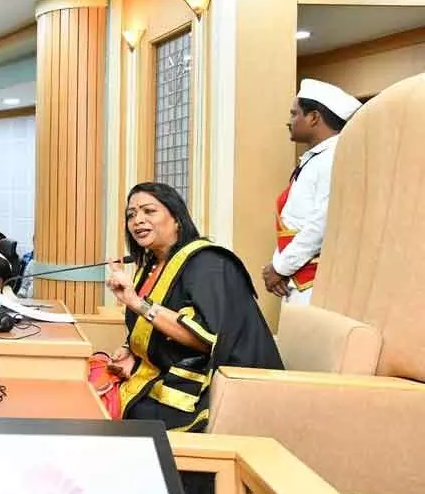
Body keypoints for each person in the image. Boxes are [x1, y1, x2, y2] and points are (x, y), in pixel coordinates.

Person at [102, 182, 283, 432]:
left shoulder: (208, 263)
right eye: (131, 215)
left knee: (106, 411)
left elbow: (204, 339)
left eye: (149, 211)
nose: (137, 221)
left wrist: (136, 302)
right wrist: (132, 352)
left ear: (177, 219)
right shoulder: (151, 265)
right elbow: (153, 326)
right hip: (166, 374)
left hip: (217, 387)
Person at [261, 79, 362, 305]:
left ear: (314, 117)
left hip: (316, 284)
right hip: (299, 277)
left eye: (294, 114)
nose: (289, 121)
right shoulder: (317, 158)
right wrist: (280, 265)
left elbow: (321, 224)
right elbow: (295, 223)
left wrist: (279, 267)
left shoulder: (334, 157)